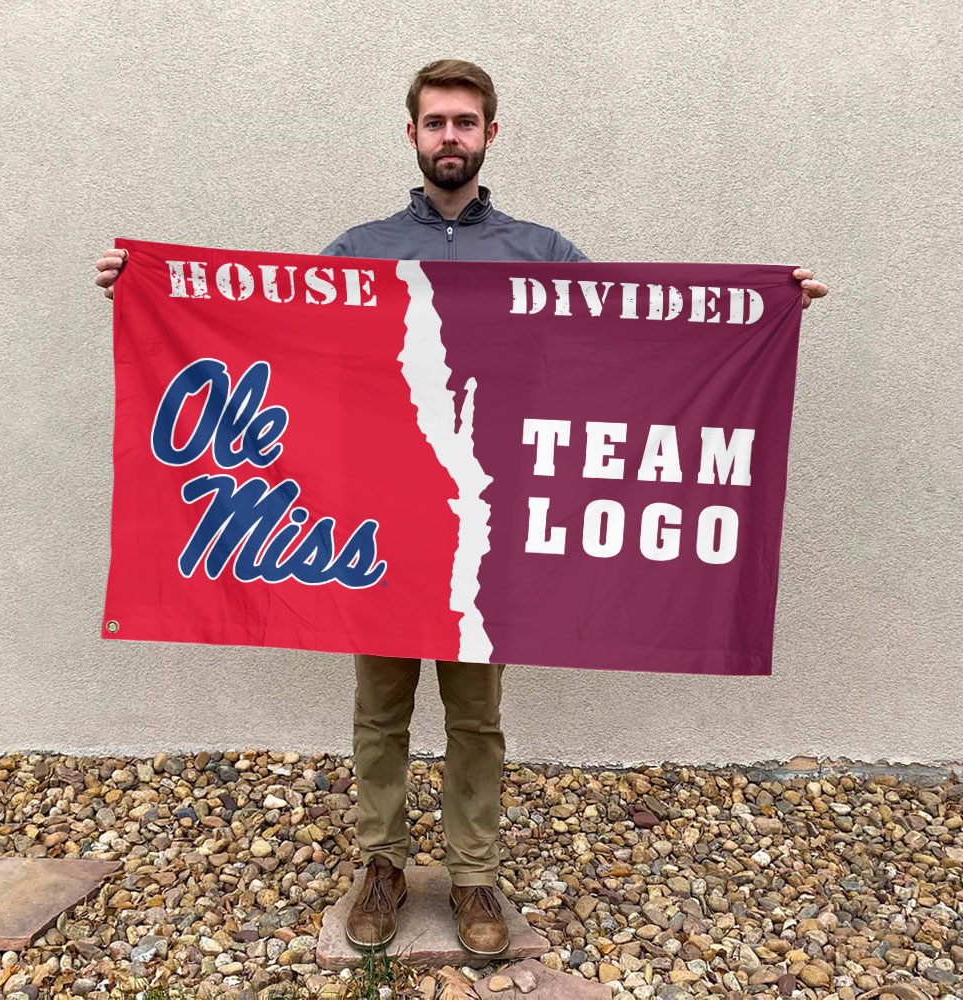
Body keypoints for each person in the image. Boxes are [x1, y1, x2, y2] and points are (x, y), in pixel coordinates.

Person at [93, 59, 829, 960]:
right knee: (380, 709)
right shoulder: (360, 250)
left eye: (466, 122)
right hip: (371, 528)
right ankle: (382, 865)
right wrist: (149, 288)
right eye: (436, 121)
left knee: (475, 713)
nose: (451, 136)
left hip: (488, 526)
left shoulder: (541, 254)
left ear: (490, 135)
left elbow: (634, 336)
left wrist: (763, 309)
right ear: (412, 134)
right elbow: (274, 336)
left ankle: (475, 872)